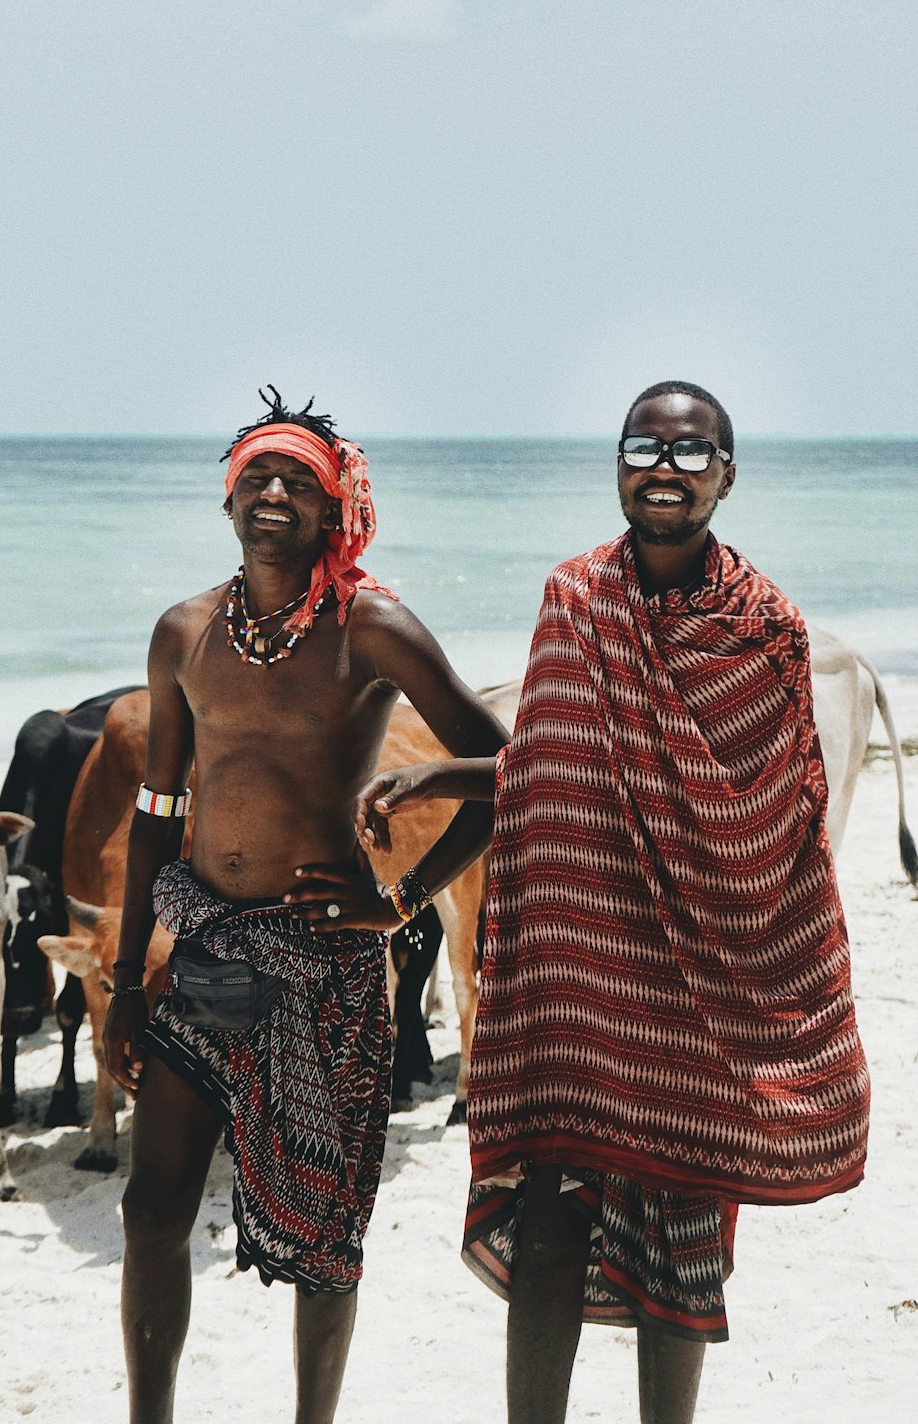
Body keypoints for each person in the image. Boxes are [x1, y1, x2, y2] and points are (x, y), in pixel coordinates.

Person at [355, 381, 870, 1424]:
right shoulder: (574, 599)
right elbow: (551, 769)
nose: (665, 470)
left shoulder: (765, 630)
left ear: (726, 475)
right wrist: (440, 785)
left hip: (697, 983)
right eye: (646, 447)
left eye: (691, 454)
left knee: (682, 1242)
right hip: (581, 976)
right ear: (618, 463)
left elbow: (771, 825)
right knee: (547, 1223)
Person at [103, 387, 509, 1424]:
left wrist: (404, 897)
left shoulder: (368, 626)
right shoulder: (184, 632)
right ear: (228, 499)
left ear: (334, 512)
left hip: (325, 966)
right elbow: (157, 808)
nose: (272, 490)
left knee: (324, 1242)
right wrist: (122, 984)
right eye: (255, 475)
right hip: (199, 952)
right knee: (151, 1213)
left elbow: (506, 767)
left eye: (299, 480)